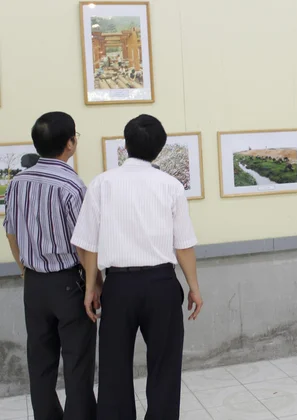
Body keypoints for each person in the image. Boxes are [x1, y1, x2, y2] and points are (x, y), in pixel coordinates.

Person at [70, 114, 204, 420]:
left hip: (118, 287)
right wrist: (194, 287)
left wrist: (93, 286)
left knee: (114, 368)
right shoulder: (171, 186)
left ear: (126, 144)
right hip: (162, 285)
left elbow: (86, 244)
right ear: (159, 148)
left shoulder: (102, 183)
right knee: (165, 366)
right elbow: (183, 244)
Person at [3, 111, 99, 420]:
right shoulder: (71, 186)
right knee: (77, 364)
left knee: (40, 364)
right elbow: (84, 245)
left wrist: (24, 269)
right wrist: (94, 285)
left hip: (34, 284)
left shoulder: (18, 181)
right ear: (70, 143)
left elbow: (11, 231)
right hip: (69, 283)